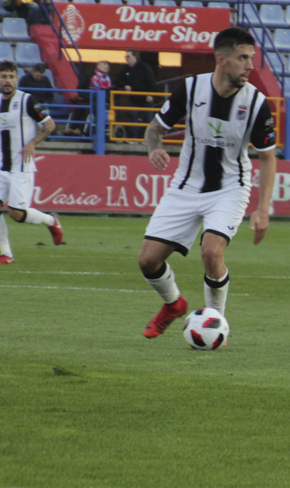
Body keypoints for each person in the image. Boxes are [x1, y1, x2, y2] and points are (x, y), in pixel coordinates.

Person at [137, 27, 277, 339]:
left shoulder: (256, 103)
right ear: (221, 59)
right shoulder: (189, 89)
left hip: (230, 188)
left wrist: (263, 208)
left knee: (211, 252)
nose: (250, 65)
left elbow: (267, 158)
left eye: (252, 58)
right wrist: (154, 148)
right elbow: (153, 129)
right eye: (243, 58)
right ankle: (173, 305)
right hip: (186, 185)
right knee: (147, 260)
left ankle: (216, 323)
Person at [0, 60, 63, 264]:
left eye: (11, 77)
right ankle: (6, 254)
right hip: (0, 164)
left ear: (16, 79)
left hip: (21, 166)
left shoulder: (27, 100)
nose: (7, 81)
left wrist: (32, 143)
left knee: (17, 214)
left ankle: (51, 220)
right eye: (4, 77)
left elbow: (50, 125)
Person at [113, 49, 157, 138]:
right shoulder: (125, 69)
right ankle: (134, 138)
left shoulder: (145, 68)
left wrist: (150, 94)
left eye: (128, 56)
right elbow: (118, 80)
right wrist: (125, 85)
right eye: (125, 57)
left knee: (147, 119)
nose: (126, 59)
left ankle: (146, 139)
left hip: (146, 99)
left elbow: (152, 82)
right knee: (133, 117)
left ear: (135, 57)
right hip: (133, 99)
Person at [65, 60, 111, 136]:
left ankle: (80, 129)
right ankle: (72, 128)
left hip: (102, 102)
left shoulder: (109, 79)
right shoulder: (89, 74)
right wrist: (87, 96)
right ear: (97, 65)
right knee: (79, 106)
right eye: (104, 64)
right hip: (88, 98)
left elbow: (109, 93)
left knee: (89, 108)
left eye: (107, 65)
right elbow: (80, 88)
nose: (106, 66)